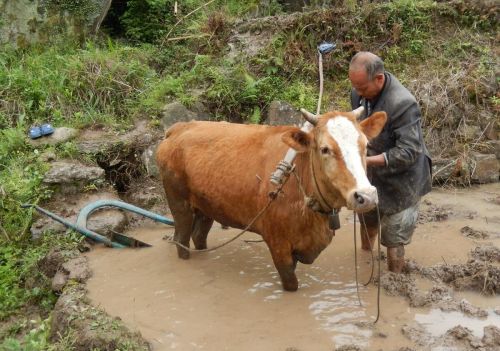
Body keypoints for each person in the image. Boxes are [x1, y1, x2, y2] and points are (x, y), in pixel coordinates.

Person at [348, 51, 432, 273]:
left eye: (362, 88)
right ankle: (366, 260)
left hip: (404, 179)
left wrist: (364, 160)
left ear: (379, 78)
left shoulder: (403, 104)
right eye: (355, 87)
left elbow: (409, 151)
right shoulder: (358, 94)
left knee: (394, 235)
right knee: (367, 218)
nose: (358, 93)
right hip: (373, 171)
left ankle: (396, 281)